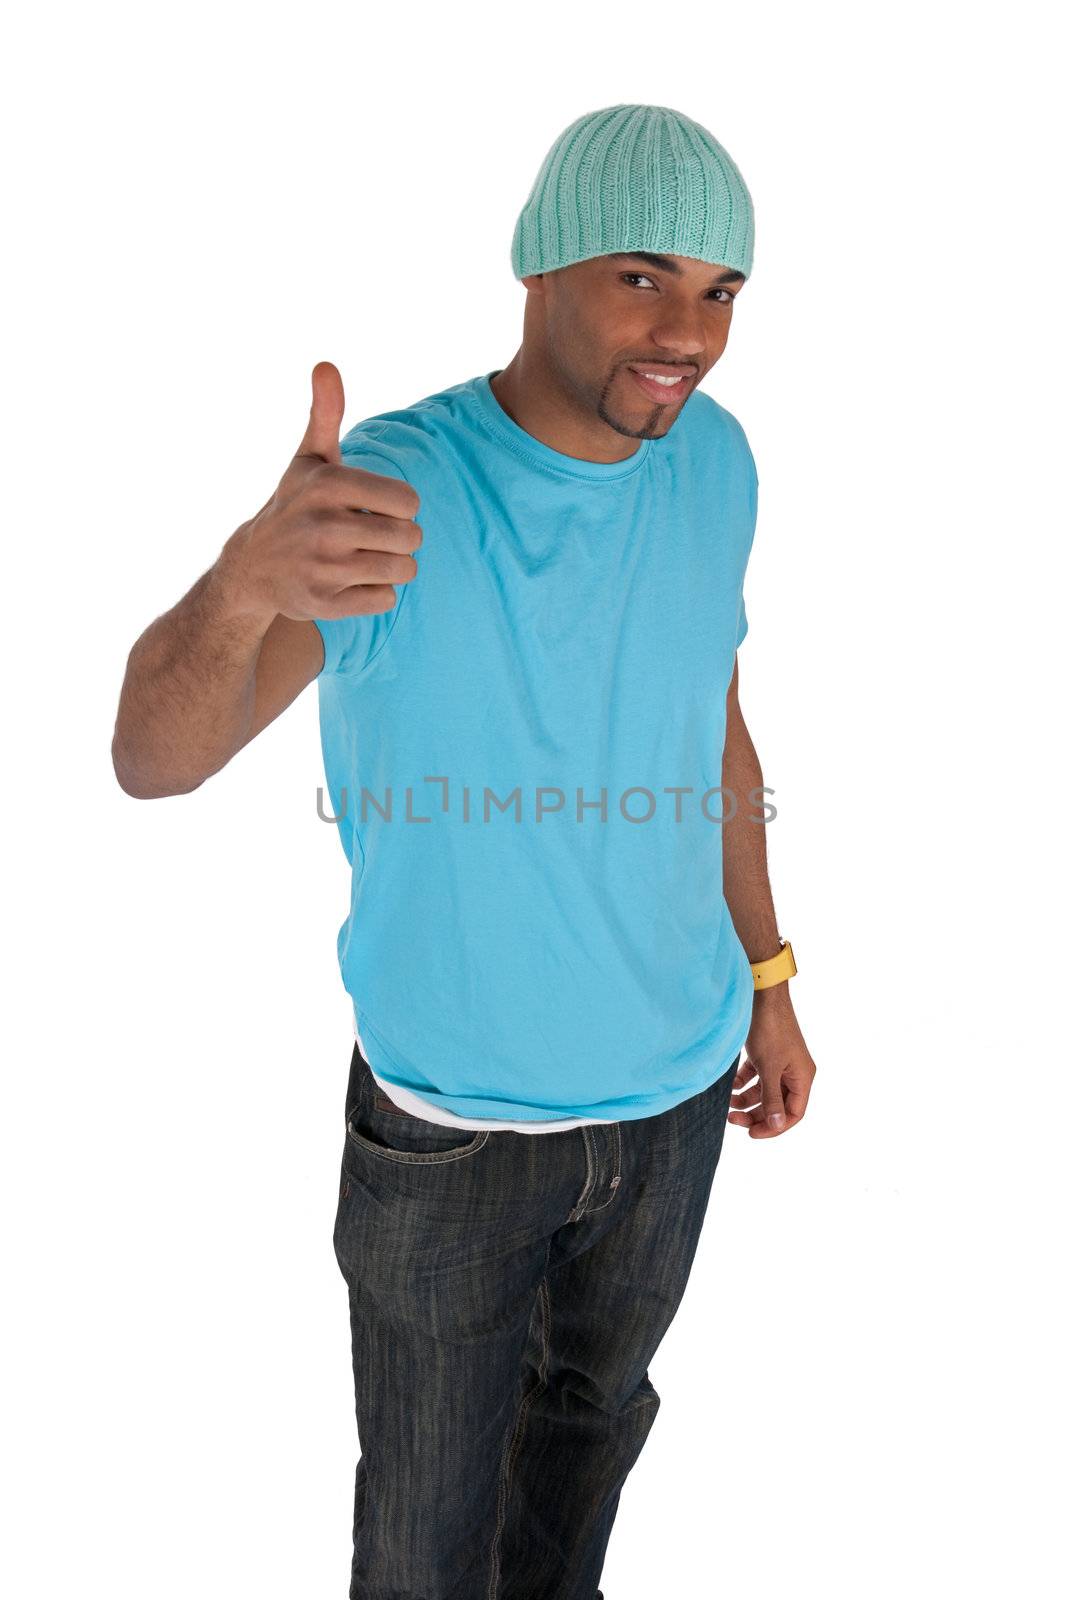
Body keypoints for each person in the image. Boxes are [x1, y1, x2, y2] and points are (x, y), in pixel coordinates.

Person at [112, 102, 817, 1600]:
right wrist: (242, 584)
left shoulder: (718, 465)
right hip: (452, 1133)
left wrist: (767, 973)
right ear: (541, 270)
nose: (685, 332)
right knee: (425, 1542)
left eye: (721, 291)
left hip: (674, 1101)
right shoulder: (392, 490)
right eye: (643, 277)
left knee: (588, 1435)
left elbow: (714, 729)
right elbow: (150, 764)